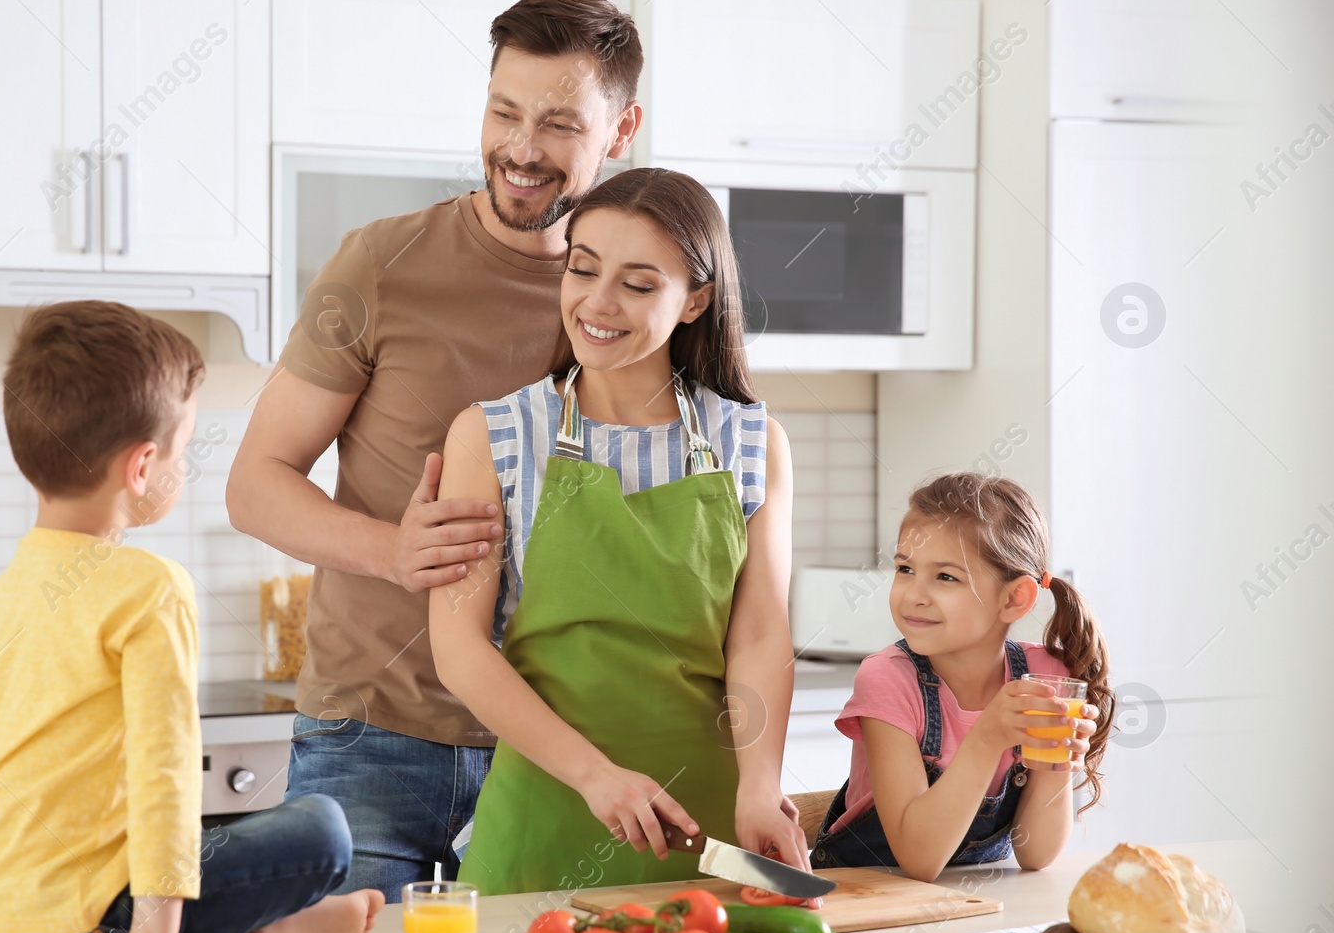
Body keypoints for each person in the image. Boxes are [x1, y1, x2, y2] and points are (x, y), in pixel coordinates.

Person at [226, 0, 644, 901]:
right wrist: (392, 549)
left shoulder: (637, 299)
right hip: (370, 736)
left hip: (557, 744)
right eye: (504, 112)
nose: (522, 148)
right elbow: (255, 483)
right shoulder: (380, 264)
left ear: (622, 130)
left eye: (560, 123)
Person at [0, 301, 382, 933]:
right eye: (183, 449)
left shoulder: (10, 583)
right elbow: (166, 775)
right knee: (322, 826)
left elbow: (3, 767)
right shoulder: (150, 588)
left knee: (210, 837)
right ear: (141, 466)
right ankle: (260, 929)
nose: (185, 466)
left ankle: (261, 929)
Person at [429, 167, 806, 895]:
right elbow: (458, 647)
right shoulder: (495, 433)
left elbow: (759, 634)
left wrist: (761, 783)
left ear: (696, 299)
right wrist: (594, 775)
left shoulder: (751, 440)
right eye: (582, 268)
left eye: (638, 284)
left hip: (706, 820)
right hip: (547, 805)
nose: (597, 303)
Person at [808, 472, 1112, 881]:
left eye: (946, 577)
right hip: (868, 890)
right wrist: (987, 738)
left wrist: (1060, 763)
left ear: (1014, 598)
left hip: (975, 898)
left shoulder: (1047, 678)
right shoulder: (888, 680)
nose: (913, 594)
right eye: (905, 568)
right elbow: (918, 860)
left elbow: (1036, 854)